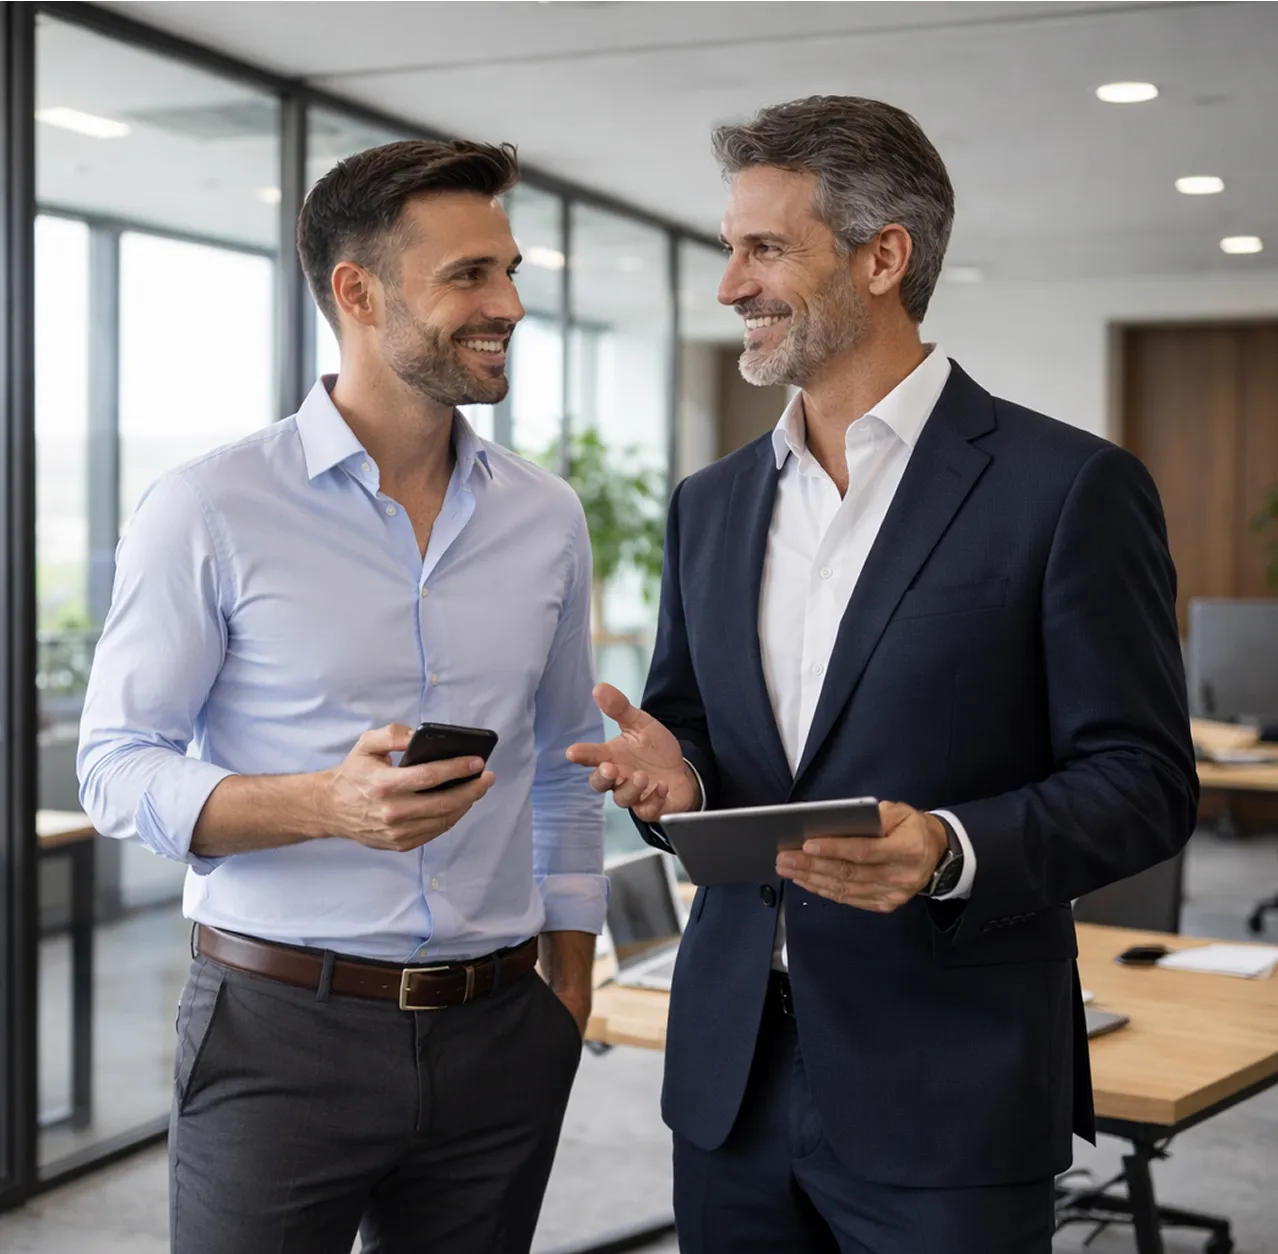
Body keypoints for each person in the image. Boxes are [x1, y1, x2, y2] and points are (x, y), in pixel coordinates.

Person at [568, 96, 1197, 1253]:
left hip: (950, 1085)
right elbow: (700, 732)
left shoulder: (1066, 489)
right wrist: (682, 786)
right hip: (732, 1082)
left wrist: (949, 848)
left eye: (763, 248)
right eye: (729, 250)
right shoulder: (710, 507)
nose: (729, 285)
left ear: (882, 257)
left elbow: (1145, 780)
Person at [78, 138, 605, 1254]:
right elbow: (116, 766)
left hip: (502, 1032)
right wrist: (326, 804)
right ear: (357, 293)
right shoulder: (210, 507)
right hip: (280, 1033)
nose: (507, 303)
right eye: (469, 275)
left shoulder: (545, 516)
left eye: (510, 271)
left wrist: (566, 984)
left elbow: (564, 757)